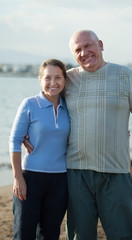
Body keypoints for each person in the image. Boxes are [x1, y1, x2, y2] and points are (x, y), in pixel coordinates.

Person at [25, 30, 132, 240]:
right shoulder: (69, 79)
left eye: (88, 46)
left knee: (123, 235)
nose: (84, 52)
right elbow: (43, 107)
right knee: (79, 236)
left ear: (100, 45)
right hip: (76, 174)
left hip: (116, 172)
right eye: (78, 49)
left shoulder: (125, 75)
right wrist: (24, 133)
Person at [9, 59, 70, 240]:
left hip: (60, 181)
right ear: (40, 80)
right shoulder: (29, 104)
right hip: (30, 178)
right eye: (47, 78)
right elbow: (14, 141)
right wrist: (18, 177)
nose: (53, 83)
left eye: (58, 77)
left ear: (65, 80)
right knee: (23, 234)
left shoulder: (69, 107)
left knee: (49, 235)